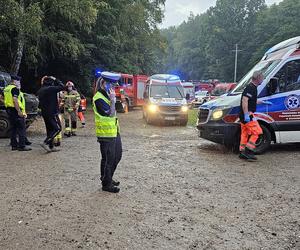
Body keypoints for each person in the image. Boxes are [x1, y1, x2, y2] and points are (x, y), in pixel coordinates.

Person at [93, 72, 122, 193]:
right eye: (110, 84)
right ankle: (106, 184)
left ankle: (107, 177)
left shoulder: (105, 96)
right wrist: (113, 101)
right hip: (105, 134)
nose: (112, 87)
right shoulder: (98, 98)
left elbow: (116, 111)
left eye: (113, 85)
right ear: (103, 84)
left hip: (114, 131)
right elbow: (110, 113)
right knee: (109, 158)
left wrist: (114, 101)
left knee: (117, 156)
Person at [239, 71, 264, 160]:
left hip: (244, 114)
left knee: (244, 133)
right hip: (248, 114)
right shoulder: (251, 88)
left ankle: (242, 152)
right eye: (262, 78)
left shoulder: (252, 87)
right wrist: (246, 114)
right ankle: (248, 151)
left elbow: (250, 100)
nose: (263, 79)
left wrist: (260, 102)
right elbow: (244, 100)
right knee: (257, 132)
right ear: (258, 78)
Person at [3, 75, 32, 151]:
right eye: (18, 81)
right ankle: (22, 146)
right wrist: (19, 111)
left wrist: (6, 103)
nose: (19, 82)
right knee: (21, 128)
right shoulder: (14, 89)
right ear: (14, 81)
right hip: (16, 110)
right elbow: (15, 100)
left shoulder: (6, 89)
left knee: (13, 128)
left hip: (9, 110)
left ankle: (14, 145)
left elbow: (1, 97)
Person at [37, 76, 65, 152]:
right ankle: (46, 142)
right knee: (57, 128)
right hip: (52, 112)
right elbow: (62, 87)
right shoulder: (50, 89)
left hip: (45, 112)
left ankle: (51, 146)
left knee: (49, 129)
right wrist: (56, 79)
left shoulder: (41, 90)